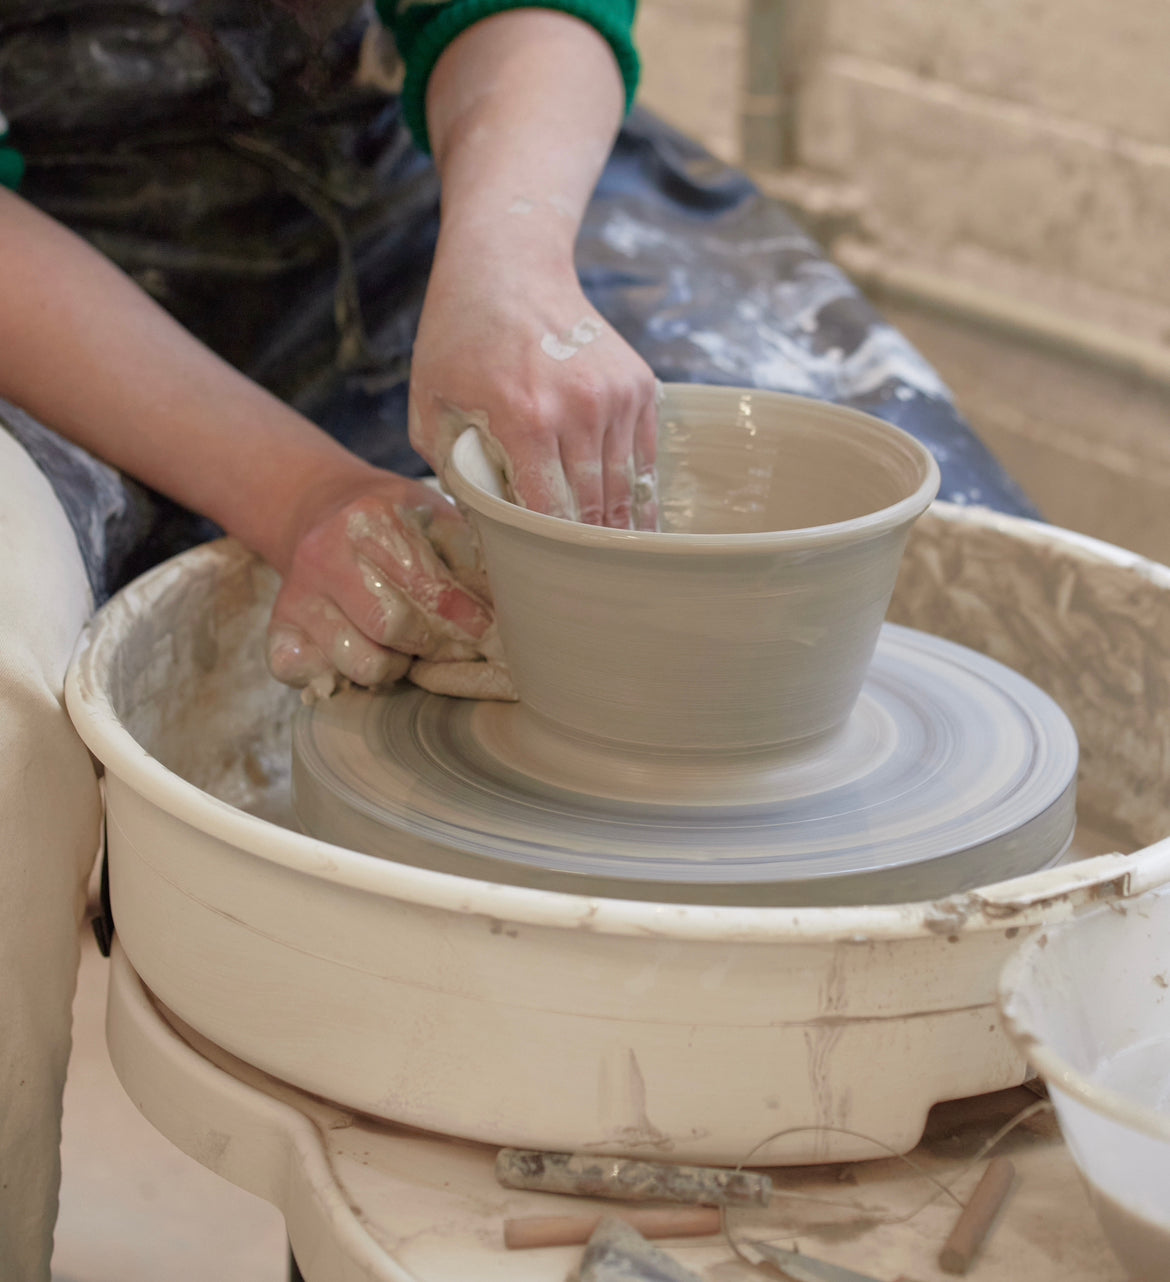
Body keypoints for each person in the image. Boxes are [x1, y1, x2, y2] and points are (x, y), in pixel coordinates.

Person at [0, 2, 1036, 1275]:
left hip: (403, 171)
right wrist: (302, 492)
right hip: (35, 263)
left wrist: (510, 267)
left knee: (944, 557)